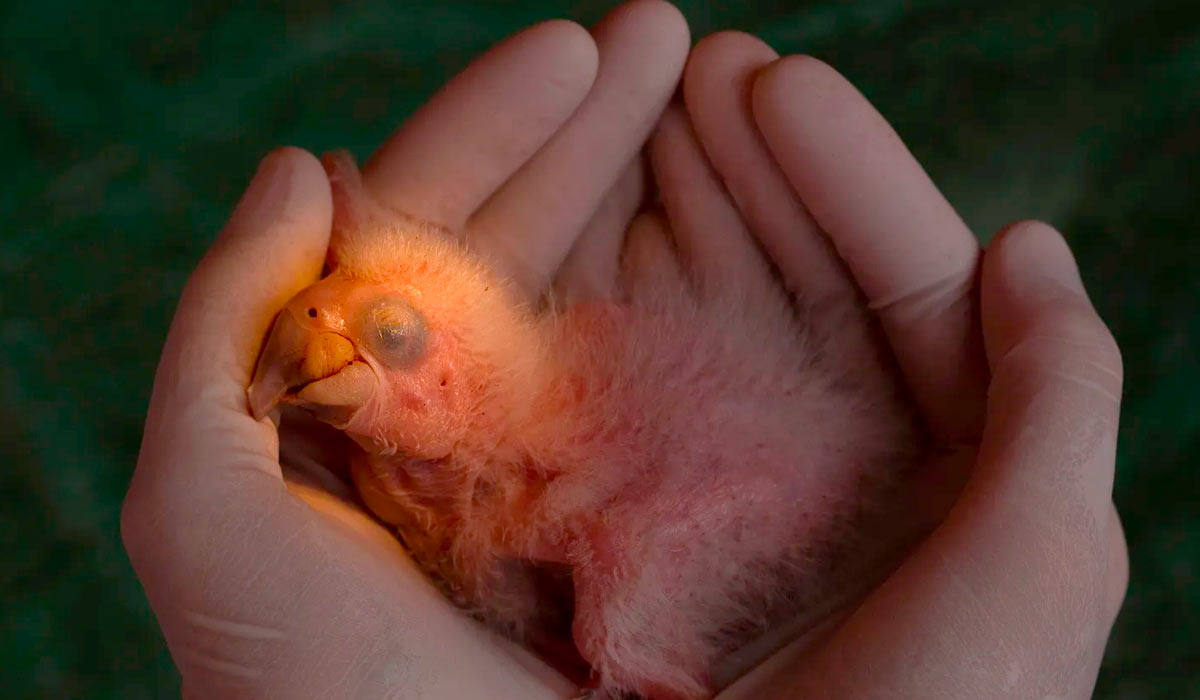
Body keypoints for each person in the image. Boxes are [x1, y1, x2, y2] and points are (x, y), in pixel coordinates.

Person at [121, 2, 1128, 697]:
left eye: (389, 332)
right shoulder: (498, 446)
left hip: (746, 485)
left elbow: (646, 509)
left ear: (458, 369)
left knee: (616, 598)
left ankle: (646, 655)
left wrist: (623, 645)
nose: (324, 330)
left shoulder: (542, 459)